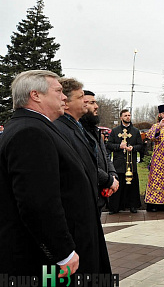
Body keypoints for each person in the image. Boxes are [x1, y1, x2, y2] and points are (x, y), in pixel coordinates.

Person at [0, 70, 111, 279]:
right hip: (45, 259)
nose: (63, 97)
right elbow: (37, 202)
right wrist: (62, 252)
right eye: (58, 91)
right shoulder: (30, 132)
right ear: (36, 95)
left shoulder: (39, 127)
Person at [79, 90, 119, 214]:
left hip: (101, 192)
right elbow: (87, 164)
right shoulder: (78, 131)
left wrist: (113, 176)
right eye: (92, 103)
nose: (96, 107)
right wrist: (109, 181)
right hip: (87, 194)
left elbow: (105, 156)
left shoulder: (95, 130)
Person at [106, 109, 144, 213]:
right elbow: (108, 145)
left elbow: (140, 145)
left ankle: (132, 205)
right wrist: (119, 146)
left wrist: (133, 148)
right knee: (118, 184)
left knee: (132, 185)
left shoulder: (135, 131)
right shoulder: (115, 131)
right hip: (119, 163)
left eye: (129, 115)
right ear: (121, 117)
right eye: (125, 115)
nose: (128, 117)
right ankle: (115, 207)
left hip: (131, 162)